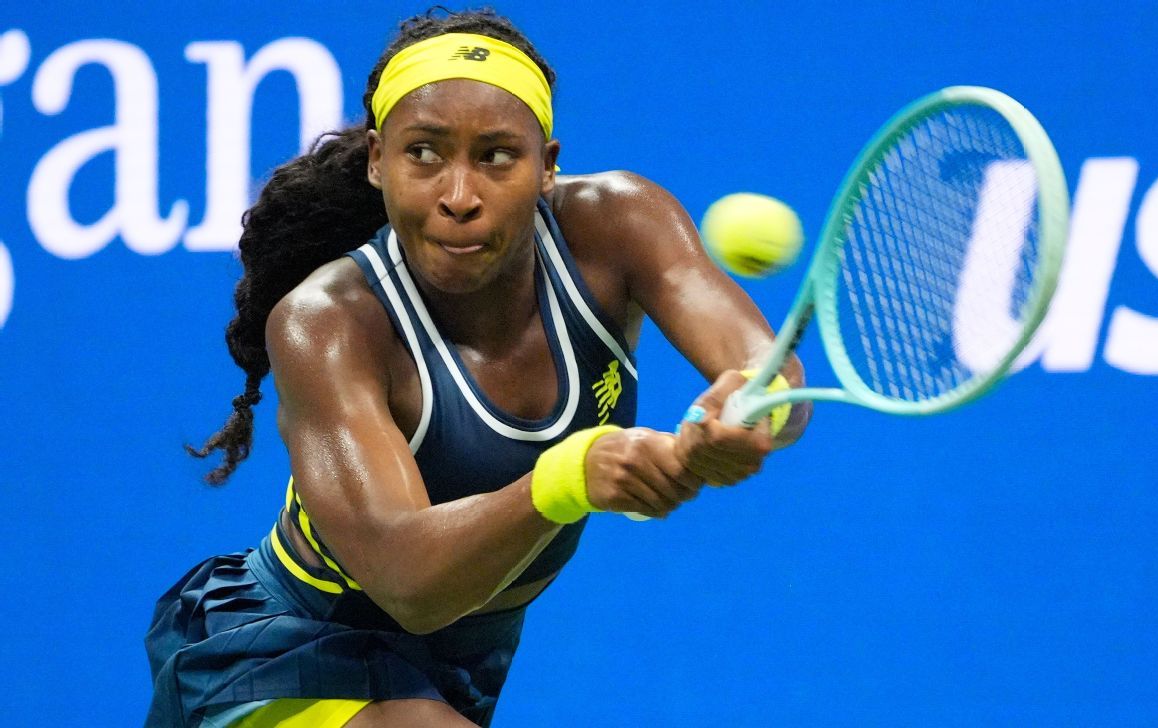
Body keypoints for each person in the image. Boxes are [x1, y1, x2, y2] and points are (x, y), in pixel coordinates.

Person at [145, 8, 808, 727]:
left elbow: (765, 370)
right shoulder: (327, 323)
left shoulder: (620, 223)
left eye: (496, 156)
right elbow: (409, 583)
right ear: (377, 159)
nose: (458, 196)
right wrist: (570, 474)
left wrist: (751, 410)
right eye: (424, 153)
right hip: (289, 644)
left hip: (463, 659)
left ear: (548, 166)